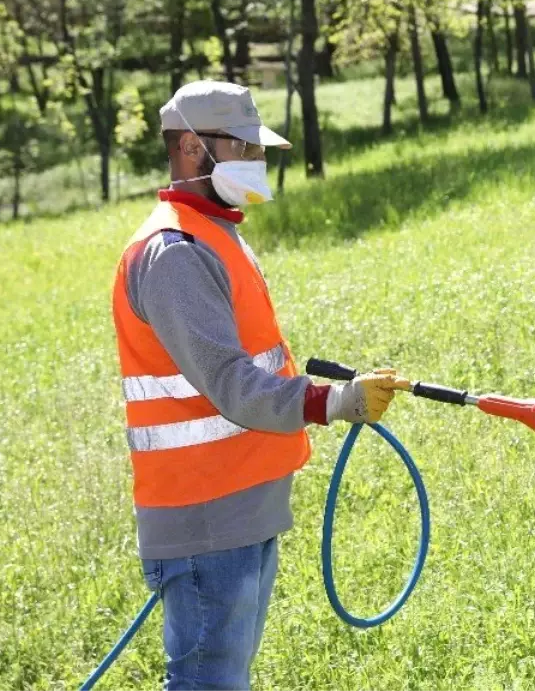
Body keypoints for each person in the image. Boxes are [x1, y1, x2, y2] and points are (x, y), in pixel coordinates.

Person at [111, 80, 408, 689]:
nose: (258, 162)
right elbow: (230, 382)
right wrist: (335, 401)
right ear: (193, 148)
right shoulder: (175, 252)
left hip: (237, 507)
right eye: (244, 147)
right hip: (204, 518)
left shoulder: (214, 234)